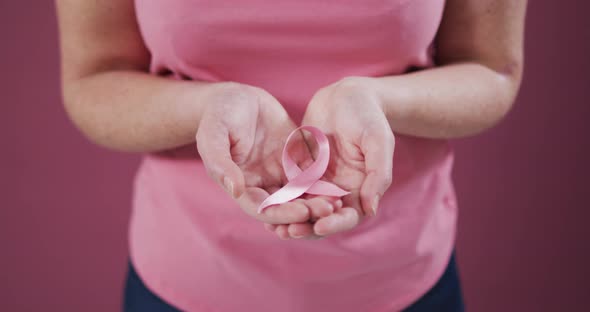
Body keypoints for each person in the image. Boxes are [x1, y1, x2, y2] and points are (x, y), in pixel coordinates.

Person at [55, 0, 526, 311]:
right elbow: (95, 78)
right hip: (183, 282)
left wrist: (380, 99)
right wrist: (204, 107)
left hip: (404, 281)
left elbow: (492, 69)